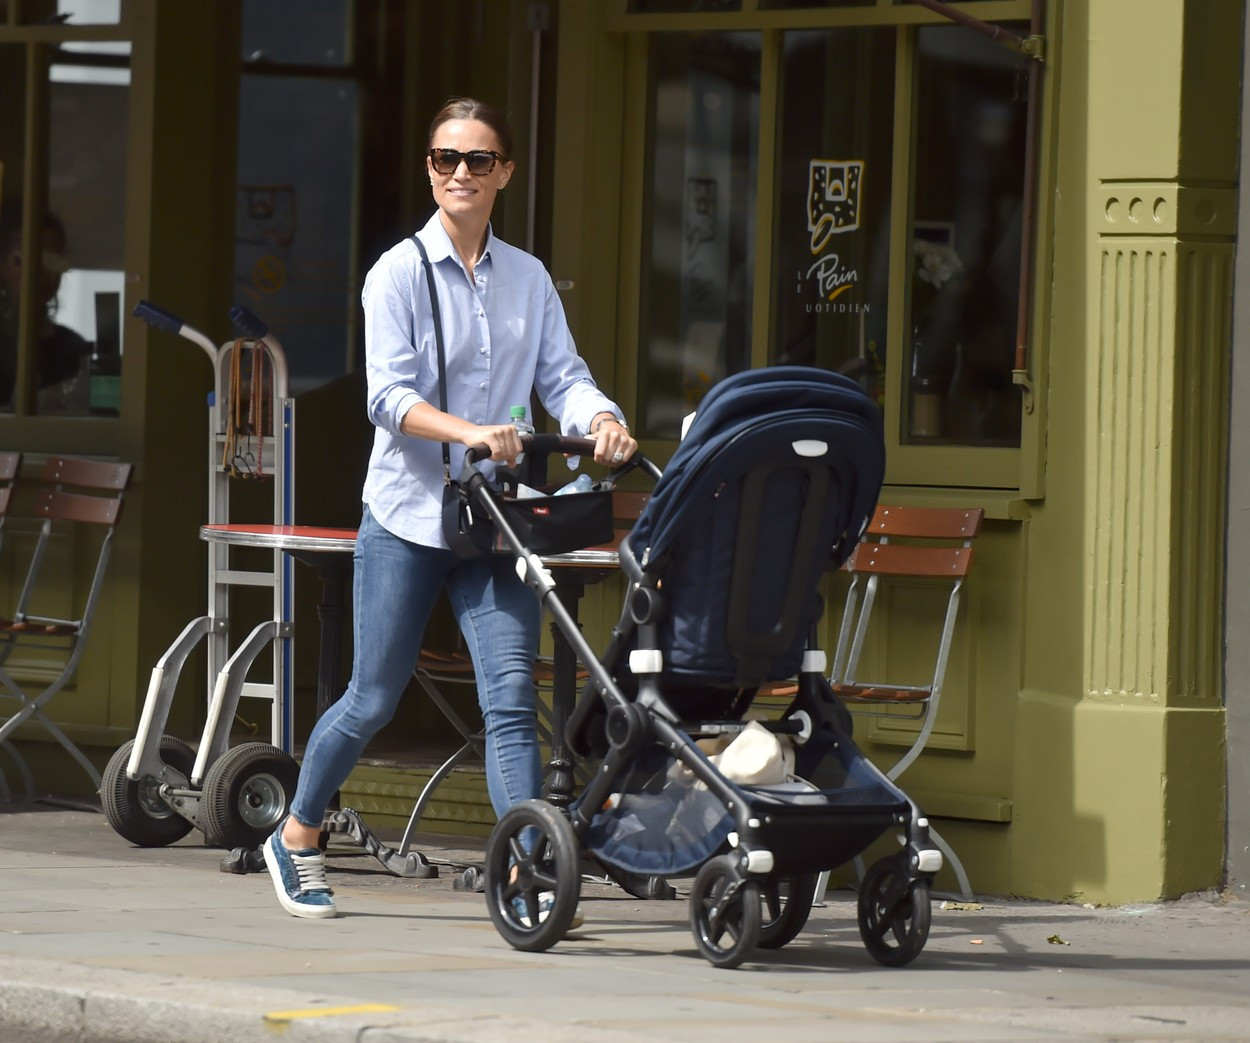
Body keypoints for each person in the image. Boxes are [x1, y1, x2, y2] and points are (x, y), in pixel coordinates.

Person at [263, 97, 637, 919]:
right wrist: (471, 431)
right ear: (430, 169)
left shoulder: (529, 278)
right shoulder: (397, 273)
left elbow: (564, 376)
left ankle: (525, 875)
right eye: (444, 158)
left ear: (505, 172)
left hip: (495, 520)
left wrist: (602, 419)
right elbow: (387, 398)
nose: (459, 173)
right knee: (373, 696)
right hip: (408, 514)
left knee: (510, 700)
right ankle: (296, 832)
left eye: (477, 159)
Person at [0, 204, 91, 409]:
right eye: (34, 261)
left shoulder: (72, 348)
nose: (48, 276)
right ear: (3, 264)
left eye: (55, 262)